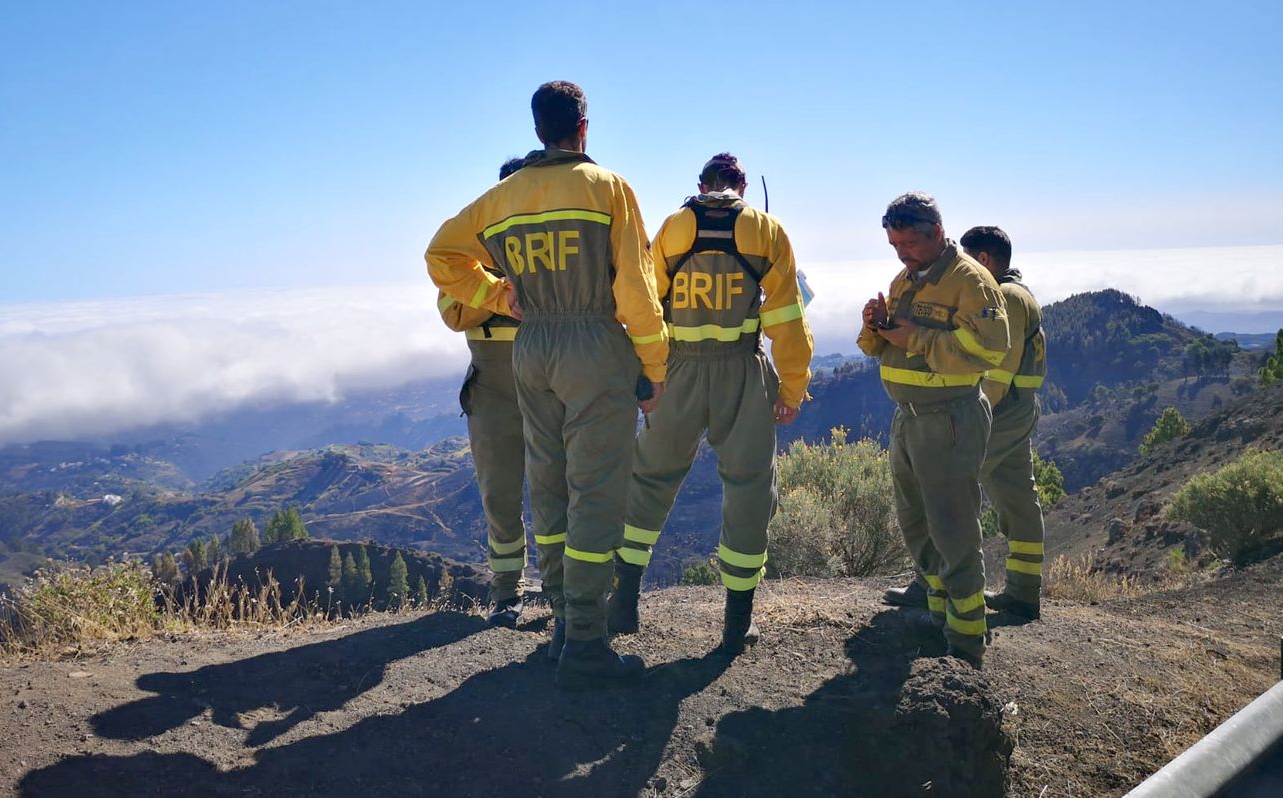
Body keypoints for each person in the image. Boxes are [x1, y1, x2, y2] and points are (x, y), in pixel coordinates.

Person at [426, 80, 668, 688]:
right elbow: (636, 293)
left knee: (550, 481)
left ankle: (561, 614)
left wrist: (499, 297)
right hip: (592, 342)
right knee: (598, 489)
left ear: (537, 130)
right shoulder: (608, 188)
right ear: (583, 127)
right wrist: (655, 370)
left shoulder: (502, 198)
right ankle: (586, 640)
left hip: (530, 349)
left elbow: (440, 255)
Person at [606, 153, 813, 656]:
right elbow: (788, 319)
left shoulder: (675, 227)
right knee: (748, 487)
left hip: (677, 370)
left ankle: (624, 601)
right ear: (741, 186)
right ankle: (736, 622)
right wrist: (792, 389)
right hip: (741, 371)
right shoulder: (767, 231)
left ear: (701, 184)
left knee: (650, 477)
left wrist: (646, 374)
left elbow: (645, 303)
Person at [857, 192, 1009, 668]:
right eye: (894, 244)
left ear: (937, 234)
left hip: (949, 417)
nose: (902, 253)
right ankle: (938, 612)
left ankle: (966, 642)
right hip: (909, 418)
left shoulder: (971, 282)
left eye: (909, 243)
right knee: (916, 521)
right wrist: (874, 326)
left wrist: (914, 338)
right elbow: (880, 348)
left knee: (953, 527)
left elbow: (989, 351)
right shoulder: (905, 278)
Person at [882, 226, 1047, 621]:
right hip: (1019, 411)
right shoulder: (1020, 293)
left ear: (985, 261)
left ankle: (933, 586)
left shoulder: (1004, 296)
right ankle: (1024, 592)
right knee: (1017, 497)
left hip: (997, 412)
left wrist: (962, 415)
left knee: (945, 499)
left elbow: (995, 373)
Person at [435, 157, 529, 629]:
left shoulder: (547, 245)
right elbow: (452, 312)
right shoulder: (471, 252)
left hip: (549, 376)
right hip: (491, 387)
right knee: (499, 492)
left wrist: (488, 298)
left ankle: (563, 588)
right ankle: (507, 592)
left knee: (566, 489)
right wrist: (503, 291)